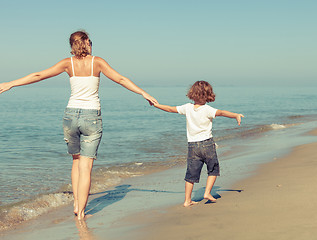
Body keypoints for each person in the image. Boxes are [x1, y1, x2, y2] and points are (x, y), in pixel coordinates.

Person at [0, 31, 157, 219]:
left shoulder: (68, 63)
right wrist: (143, 93)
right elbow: (121, 79)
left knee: (76, 161)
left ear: (72, 45)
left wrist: (11, 83)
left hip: (70, 116)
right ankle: (81, 213)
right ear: (87, 43)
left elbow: (39, 75)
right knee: (86, 167)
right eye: (90, 42)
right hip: (91, 117)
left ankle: (76, 204)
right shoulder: (97, 62)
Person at [153, 80, 244, 207]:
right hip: (207, 144)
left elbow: (169, 109)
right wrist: (235, 115)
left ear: (192, 93)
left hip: (193, 146)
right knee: (213, 169)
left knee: (191, 174)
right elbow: (222, 112)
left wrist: (156, 105)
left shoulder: (187, 108)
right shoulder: (207, 109)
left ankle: (187, 200)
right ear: (208, 95)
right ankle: (207, 193)